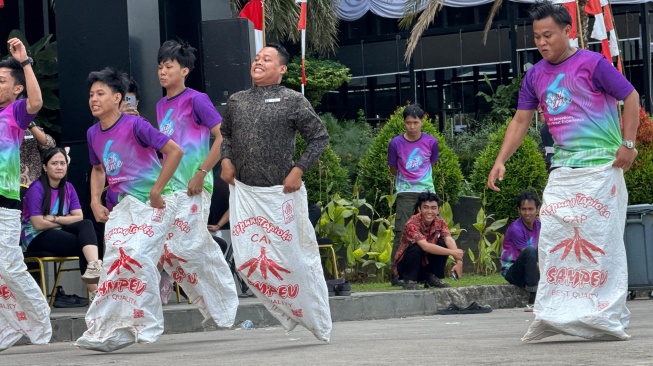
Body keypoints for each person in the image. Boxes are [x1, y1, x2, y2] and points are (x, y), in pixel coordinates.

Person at [487, 1, 638, 341]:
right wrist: (501, 160)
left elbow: (631, 97)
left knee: (601, 243)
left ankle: (603, 316)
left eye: (549, 35)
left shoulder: (593, 63)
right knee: (553, 242)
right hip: (563, 170)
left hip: (602, 168)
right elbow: (521, 120)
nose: (542, 42)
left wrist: (628, 145)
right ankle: (552, 313)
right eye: (537, 36)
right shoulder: (535, 74)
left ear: (567, 31)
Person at [220, 43, 332, 341]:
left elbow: (319, 138)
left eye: (266, 59)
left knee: (296, 261)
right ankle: (288, 312)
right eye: (256, 58)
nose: (258, 62)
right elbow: (226, 135)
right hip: (245, 194)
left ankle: (317, 320)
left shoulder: (294, 100)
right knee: (246, 262)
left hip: (281, 194)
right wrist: (226, 160)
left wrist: (298, 170)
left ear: (282, 69)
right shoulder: (237, 101)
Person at [75, 68, 183, 352]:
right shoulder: (92, 133)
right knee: (114, 265)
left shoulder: (137, 125)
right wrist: (95, 201)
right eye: (91, 94)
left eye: (100, 94)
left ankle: (141, 323)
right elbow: (98, 168)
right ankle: (107, 329)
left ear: (118, 98)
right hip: (123, 209)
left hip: (155, 204)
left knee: (134, 257)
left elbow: (175, 152)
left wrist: (157, 190)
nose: (93, 99)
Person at [154, 39, 238, 322]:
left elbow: (223, 136)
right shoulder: (159, 105)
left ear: (184, 70)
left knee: (186, 246)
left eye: (169, 66)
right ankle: (212, 303)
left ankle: (225, 293)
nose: (162, 72)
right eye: (160, 67)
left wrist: (202, 173)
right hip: (168, 189)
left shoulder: (196, 99)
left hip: (193, 186)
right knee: (168, 248)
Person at [0, 38, 52, 351]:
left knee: (9, 265)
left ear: (16, 88)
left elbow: (36, 103)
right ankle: (9, 327)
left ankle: (40, 319)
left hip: (4, 202)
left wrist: (25, 62)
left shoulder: (16, 112)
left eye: (1, 80)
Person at [22, 147, 102, 295]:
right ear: (45, 167)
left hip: (57, 232)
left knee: (86, 224)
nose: (59, 167)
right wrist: (65, 220)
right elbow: (38, 224)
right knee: (83, 245)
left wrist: (55, 218)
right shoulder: (36, 188)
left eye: (62, 163)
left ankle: (93, 266)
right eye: (54, 163)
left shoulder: (68, 187)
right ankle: (96, 293)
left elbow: (79, 217)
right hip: (36, 237)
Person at [387, 104, 439, 285]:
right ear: (404, 123)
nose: (412, 127)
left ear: (422, 122)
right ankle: (396, 274)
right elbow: (393, 169)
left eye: (415, 122)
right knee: (401, 231)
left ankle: (429, 275)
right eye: (408, 123)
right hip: (405, 192)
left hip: (426, 192)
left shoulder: (431, 142)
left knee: (432, 232)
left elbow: (432, 165)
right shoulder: (395, 143)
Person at [393, 191, 463, 290]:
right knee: (416, 247)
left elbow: (449, 239)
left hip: (424, 266)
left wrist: (459, 261)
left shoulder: (440, 222)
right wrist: (453, 252)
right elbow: (425, 246)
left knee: (442, 243)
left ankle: (433, 278)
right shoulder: (412, 223)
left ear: (438, 210)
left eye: (433, 208)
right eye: (425, 207)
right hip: (406, 268)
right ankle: (409, 280)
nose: (429, 211)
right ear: (419, 209)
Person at [500, 192, 541, 311]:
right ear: (519, 210)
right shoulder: (516, 228)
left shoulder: (539, 225)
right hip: (512, 272)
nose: (527, 213)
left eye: (530, 209)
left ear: (537, 209)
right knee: (530, 251)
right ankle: (532, 299)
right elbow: (530, 257)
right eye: (524, 209)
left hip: (529, 269)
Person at [20, 121, 55, 186]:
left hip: (32, 180)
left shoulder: (31, 129)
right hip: (8, 183)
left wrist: (30, 124)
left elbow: (50, 145)